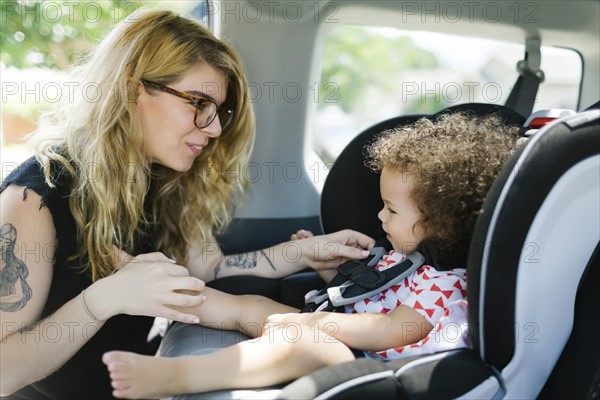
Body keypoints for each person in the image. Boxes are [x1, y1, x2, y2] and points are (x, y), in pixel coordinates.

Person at [0, 10, 374, 399]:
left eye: (219, 111)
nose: (214, 129)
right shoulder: (34, 198)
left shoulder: (162, 179)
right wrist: (101, 300)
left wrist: (301, 252)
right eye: (198, 102)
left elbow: (209, 269)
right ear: (133, 91)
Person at [102, 113, 521, 399]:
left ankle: (174, 376)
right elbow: (369, 299)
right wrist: (330, 274)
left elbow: (391, 332)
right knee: (251, 304)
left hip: (371, 364)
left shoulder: (448, 287)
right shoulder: (408, 262)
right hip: (348, 337)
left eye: (391, 210)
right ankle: (156, 286)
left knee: (299, 340)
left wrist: (314, 321)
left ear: (443, 222)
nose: (379, 216)